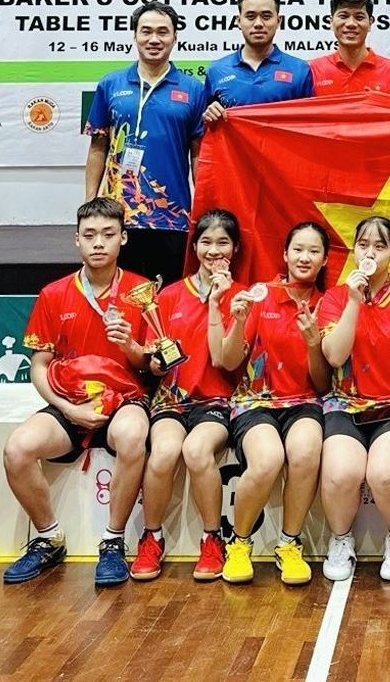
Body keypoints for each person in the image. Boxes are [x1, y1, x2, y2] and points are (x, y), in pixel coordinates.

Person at [2, 198, 150, 587]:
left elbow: (152, 367)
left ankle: (114, 542)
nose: (98, 243)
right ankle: (48, 538)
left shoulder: (142, 292)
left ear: (123, 238)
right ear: (76, 241)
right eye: (89, 236)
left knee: (134, 435)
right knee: (16, 449)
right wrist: (67, 407)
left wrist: (131, 346)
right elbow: (39, 365)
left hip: (124, 401)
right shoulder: (54, 294)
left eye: (107, 234)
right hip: (71, 403)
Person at [129, 209, 243, 582]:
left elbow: (228, 361)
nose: (214, 250)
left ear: (236, 248)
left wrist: (219, 303)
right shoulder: (169, 295)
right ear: (194, 247)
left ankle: (213, 539)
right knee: (162, 452)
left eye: (223, 242)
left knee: (196, 450)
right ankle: (152, 537)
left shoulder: (241, 298)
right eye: (206, 242)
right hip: (171, 401)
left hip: (217, 401)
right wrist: (157, 366)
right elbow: (151, 360)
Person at [317, 216, 390, 583]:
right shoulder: (336, 297)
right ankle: (340, 539)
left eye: (380, 246)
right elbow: (334, 356)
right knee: (339, 475)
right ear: (354, 249)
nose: (370, 253)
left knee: (384, 475)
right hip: (346, 404)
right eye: (363, 244)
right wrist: (353, 301)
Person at [215, 222, 330, 586]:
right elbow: (229, 361)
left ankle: (289, 544)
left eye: (314, 251)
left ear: (325, 259)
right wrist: (237, 322)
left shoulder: (329, 305)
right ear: (284, 254)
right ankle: (239, 541)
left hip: (305, 403)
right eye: (298, 249)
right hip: (255, 402)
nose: (305, 257)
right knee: (266, 459)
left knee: (306, 449)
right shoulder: (259, 295)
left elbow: (324, 383)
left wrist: (314, 343)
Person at [84, 4, 207, 284]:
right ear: (134, 36)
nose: (154, 39)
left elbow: (198, 155)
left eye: (163, 32)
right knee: (120, 296)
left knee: (165, 298)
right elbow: (97, 148)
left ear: (175, 37)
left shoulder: (194, 89)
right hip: (116, 215)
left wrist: (202, 205)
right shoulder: (110, 85)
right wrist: (91, 202)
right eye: (146, 31)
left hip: (172, 216)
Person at [203, 0, 314, 123]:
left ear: (279, 21)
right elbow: (205, 129)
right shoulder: (217, 70)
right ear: (238, 21)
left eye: (266, 16)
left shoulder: (300, 70)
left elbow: (308, 125)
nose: (258, 23)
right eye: (250, 16)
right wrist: (209, 118)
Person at [310, 0, 390, 96]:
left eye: (359, 17)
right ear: (331, 22)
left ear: (370, 23)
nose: (351, 24)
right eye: (343, 16)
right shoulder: (313, 71)